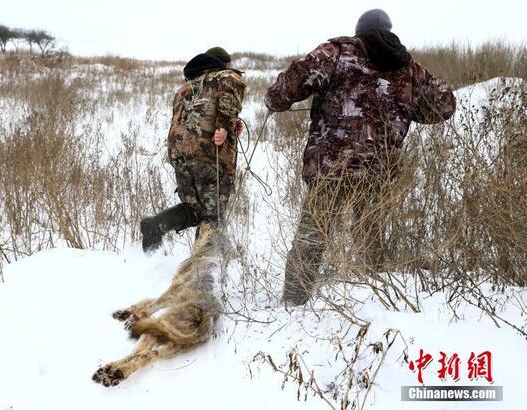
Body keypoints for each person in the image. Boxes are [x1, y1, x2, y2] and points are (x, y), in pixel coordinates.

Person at [264, 9, 456, 305]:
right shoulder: (409, 69)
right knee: (372, 235)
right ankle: (378, 302)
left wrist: (275, 100)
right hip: (378, 170)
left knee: (313, 235)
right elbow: (444, 106)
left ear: (359, 30)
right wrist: (403, 107)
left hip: (331, 167)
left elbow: (283, 90)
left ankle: (293, 301)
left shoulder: (335, 53)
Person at [140, 47, 246, 253]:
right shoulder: (227, 76)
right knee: (213, 213)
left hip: (179, 152)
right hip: (209, 154)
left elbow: (196, 117)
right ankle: (203, 266)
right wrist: (224, 126)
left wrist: (231, 125)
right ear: (224, 64)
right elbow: (230, 95)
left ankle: (156, 225)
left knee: (195, 209)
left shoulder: (185, 88)